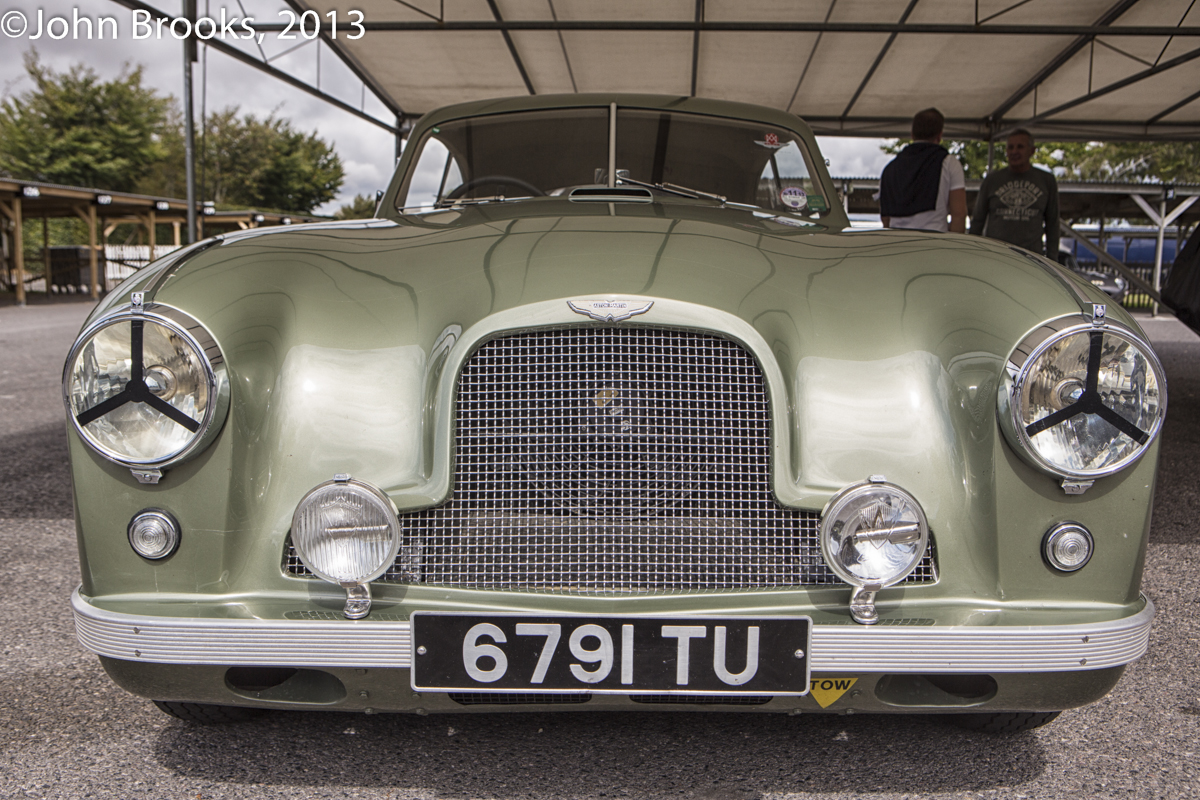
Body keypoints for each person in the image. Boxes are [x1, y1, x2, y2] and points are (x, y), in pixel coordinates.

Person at [969, 129, 1060, 257]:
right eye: (1010, 147)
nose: (1014, 152)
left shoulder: (1046, 180)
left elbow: (1053, 224)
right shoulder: (992, 180)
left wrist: (1053, 259)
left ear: (1032, 151)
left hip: (1031, 258)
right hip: (997, 256)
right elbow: (978, 220)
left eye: (1020, 147)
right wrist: (972, 254)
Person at [879, 108, 967, 233]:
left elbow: (886, 218)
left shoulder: (889, 169)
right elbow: (959, 214)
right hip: (934, 244)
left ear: (912, 134)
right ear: (940, 135)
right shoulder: (949, 163)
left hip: (897, 244)